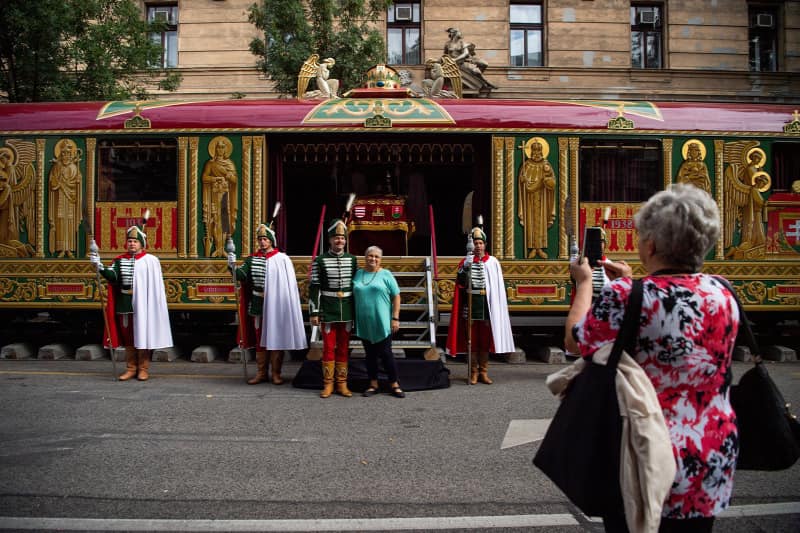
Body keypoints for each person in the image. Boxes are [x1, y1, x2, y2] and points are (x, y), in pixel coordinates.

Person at [565, 184, 739, 533]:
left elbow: (575, 341)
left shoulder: (626, 295)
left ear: (652, 245)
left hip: (643, 453)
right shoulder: (723, 292)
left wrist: (584, 284)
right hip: (710, 453)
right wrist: (631, 282)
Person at [89, 218, 173, 381]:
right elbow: (113, 277)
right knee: (128, 338)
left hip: (145, 305)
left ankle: (143, 368)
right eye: (129, 241)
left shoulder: (151, 261)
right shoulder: (119, 260)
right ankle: (131, 368)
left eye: (135, 241)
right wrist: (99, 266)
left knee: (143, 335)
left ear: (141, 244)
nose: (132, 244)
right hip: (125, 304)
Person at [228, 222, 307, 385]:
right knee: (260, 340)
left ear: (271, 240)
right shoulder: (252, 259)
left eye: (265, 239)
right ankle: (261, 373)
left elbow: (288, 285)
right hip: (258, 304)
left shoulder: (282, 259)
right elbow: (241, 275)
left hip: (277, 305)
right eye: (260, 239)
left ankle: (276, 373)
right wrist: (232, 264)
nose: (262, 242)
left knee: (276, 339)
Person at [446, 225, 514, 384]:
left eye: (480, 243)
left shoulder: (493, 262)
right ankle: (473, 372)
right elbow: (461, 284)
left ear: (485, 244)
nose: (478, 246)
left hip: (487, 307)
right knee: (472, 341)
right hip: (470, 307)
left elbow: (497, 287)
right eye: (475, 243)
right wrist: (465, 268)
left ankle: (484, 371)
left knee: (484, 341)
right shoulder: (465, 262)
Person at [309, 219, 358, 398]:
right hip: (328, 310)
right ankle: (328, 384)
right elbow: (314, 287)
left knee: (344, 348)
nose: (339, 241)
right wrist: (314, 311)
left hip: (347, 310)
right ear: (330, 240)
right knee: (329, 347)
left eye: (342, 238)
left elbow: (356, 286)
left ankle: (342, 384)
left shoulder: (352, 260)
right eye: (336, 238)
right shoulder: (320, 260)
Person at [353, 246, 404, 398]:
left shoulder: (386, 274)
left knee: (386, 353)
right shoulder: (358, 274)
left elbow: (396, 296)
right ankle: (373, 384)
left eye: (377, 256)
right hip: (364, 321)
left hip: (382, 321)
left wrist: (395, 318)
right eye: (370, 256)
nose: (373, 259)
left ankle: (394, 384)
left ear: (380, 259)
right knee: (370, 355)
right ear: (365, 257)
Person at [518, 139, 556, 259]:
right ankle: (533, 248)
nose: (536, 153)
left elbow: (552, 183)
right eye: (534, 151)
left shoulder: (546, 165)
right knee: (531, 223)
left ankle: (539, 248)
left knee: (541, 223)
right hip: (529, 199)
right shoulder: (527, 165)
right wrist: (523, 181)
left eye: (538, 151)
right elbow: (522, 181)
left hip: (542, 198)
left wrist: (546, 180)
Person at [202, 137, 238, 258]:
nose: (220, 149)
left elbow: (234, 180)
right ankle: (217, 249)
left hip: (225, 195)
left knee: (224, 222)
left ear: (225, 149)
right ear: (215, 149)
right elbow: (204, 177)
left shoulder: (229, 164)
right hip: (214, 195)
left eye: (222, 147)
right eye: (218, 147)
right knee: (215, 221)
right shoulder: (211, 163)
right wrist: (215, 179)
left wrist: (226, 173)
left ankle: (222, 249)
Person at [48, 139, 82, 258]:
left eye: (67, 153)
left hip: (71, 200)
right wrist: (59, 182)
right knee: (61, 223)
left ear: (70, 154)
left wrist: (77, 181)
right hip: (60, 199)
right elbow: (52, 181)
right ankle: (62, 249)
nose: (65, 155)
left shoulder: (74, 167)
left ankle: (69, 249)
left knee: (70, 223)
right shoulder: (57, 167)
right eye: (63, 153)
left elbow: (77, 182)